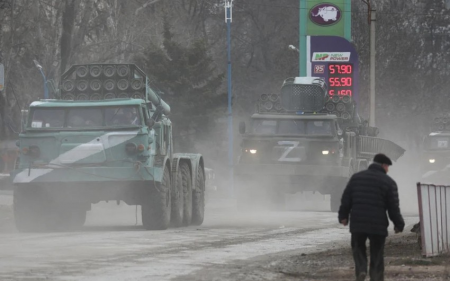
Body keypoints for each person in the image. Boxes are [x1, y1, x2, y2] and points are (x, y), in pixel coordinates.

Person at [338, 153, 405, 281]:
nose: (388, 170)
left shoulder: (356, 178)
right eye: (388, 167)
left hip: (358, 223)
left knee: (358, 249)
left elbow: (346, 199)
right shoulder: (388, 182)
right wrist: (398, 224)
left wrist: (343, 216)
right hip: (378, 225)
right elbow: (393, 207)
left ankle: (362, 270)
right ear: (383, 165)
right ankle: (376, 277)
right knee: (377, 253)